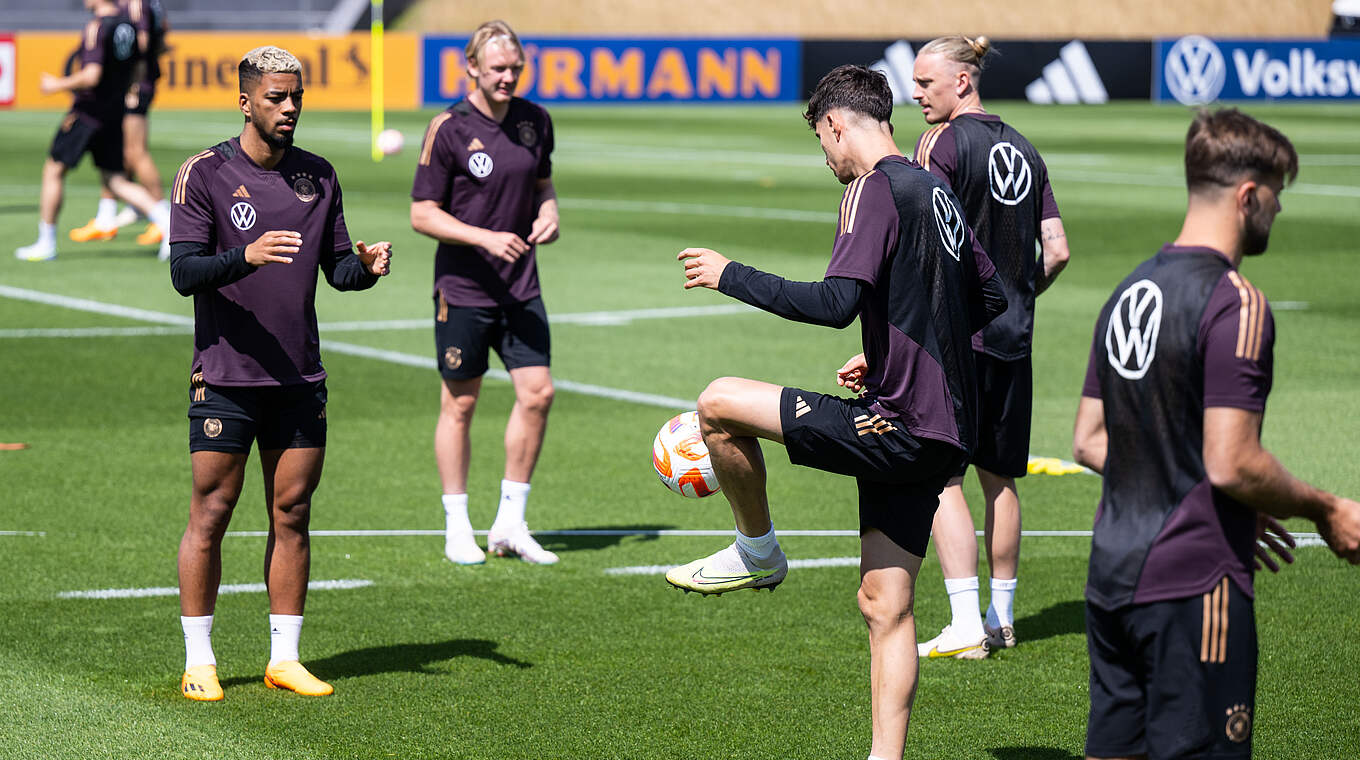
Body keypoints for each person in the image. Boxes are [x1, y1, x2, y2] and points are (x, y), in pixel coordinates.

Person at [665, 65, 1005, 760]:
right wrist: (887, 356)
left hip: (899, 424)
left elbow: (834, 304)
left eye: (821, 140)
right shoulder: (933, 187)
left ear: (836, 124)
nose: (825, 156)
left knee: (718, 404)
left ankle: (757, 552)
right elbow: (989, 298)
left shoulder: (870, 188)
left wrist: (731, 274)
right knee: (886, 604)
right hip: (946, 433)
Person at [1071, 108, 1360, 758]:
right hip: (1192, 587)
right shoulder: (1236, 301)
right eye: (1277, 194)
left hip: (1112, 576)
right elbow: (1233, 462)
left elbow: (1089, 438)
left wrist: (1196, 491)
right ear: (1247, 195)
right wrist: (1327, 507)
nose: (1279, 211)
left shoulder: (1129, 289)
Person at [168, 45, 392, 702]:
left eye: (296, 96)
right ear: (245, 101)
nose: (289, 107)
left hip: (299, 378)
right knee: (211, 511)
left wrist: (368, 267)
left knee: (291, 511)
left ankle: (284, 658)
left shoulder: (319, 177)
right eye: (276, 97)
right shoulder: (202, 174)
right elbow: (184, 273)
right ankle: (200, 660)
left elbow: (338, 271)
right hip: (226, 375)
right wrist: (247, 255)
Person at [908, 35, 1071, 659]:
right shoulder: (1026, 149)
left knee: (943, 474)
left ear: (962, 83)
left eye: (927, 83)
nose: (916, 94)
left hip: (957, 336)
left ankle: (964, 624)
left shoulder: (942, 143)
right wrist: (1019, 296)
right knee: (1000, 479)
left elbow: (924, 239)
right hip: (1012, 336)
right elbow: (1055, 249)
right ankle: (1002, 618)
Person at [410, 20, 561, 566]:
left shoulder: (535, 121)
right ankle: (457, 526)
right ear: (471, 67)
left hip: (522, 287)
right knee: (461, 403)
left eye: (515, 68)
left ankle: (511, 523)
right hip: (464, 288)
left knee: (538, 394)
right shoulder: (447, 127)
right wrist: (484, 238)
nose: (508, 76)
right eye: (498, 68)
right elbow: (421, 213)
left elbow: (542, 184)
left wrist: (549, 214)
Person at [15, 0, 170, 263]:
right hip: (114, 112)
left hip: (88, 113)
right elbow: (139, 67)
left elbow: (91, 75)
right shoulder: (129, 26)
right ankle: (168, 225)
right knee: (116, 181)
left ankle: (46, 242)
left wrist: (56, 85)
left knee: (53, 170)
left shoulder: (97, 28)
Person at [69, 0, 170, 252]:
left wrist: (128, 77)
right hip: (131, 83)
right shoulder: (149, 3)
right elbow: (163, 31)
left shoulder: (135, 4)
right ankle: (106, 217)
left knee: (135, 152)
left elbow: (142, 43)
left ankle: (163, 217)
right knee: (116, 151)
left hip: (135, 84)